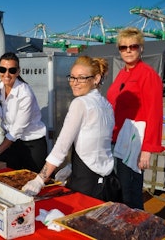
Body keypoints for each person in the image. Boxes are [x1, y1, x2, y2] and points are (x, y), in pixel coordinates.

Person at [22, 56, 117, 201]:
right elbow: (95, 143)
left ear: (96, 78)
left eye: (81, 78)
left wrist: (40, 179)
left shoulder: (80, 103)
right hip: (108, 180)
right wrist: (72, 166)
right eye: (72, 77)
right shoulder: (107, 105)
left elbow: (61, 146)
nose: (74, 83)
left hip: (87, 183)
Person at [106, 27, 165, 210]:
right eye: (123, 47)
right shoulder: (122, 74)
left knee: (130, 193)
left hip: (133, 144)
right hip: (116, 140)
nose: (128, 50)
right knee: (119, 190)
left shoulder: (148, 75)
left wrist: (147, 149)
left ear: (141, 48)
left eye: (133, 46)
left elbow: (154, 113)